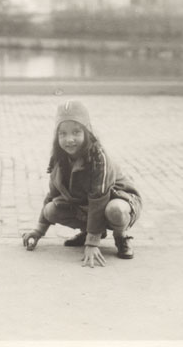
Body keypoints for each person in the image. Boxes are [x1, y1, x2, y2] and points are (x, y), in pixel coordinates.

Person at [22, 100, 142, 268]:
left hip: (117, 200)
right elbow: (53, 195)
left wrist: (92, 245)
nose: (69, 139)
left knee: (115, 210)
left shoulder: (98, 159)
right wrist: (39, 231)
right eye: (62, 133)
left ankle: (121, 237)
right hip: (88, 206)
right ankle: (90, 232)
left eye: (76, 132)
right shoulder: (59, 158)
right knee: (51, 210)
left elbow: (99, 200)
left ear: (87, 132)